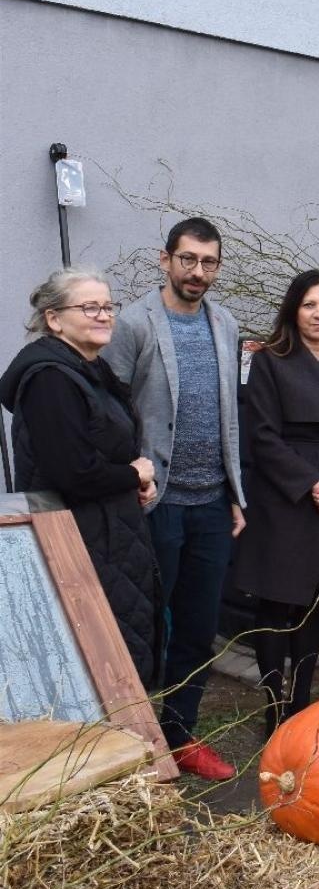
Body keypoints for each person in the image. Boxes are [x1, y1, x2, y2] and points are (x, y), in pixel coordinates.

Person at [103, 217, 246, 780]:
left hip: (211, 503)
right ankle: (131, 741)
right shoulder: (134, 323)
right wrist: (126, 477)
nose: (198, 272)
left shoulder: (226, 323)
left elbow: (229, 414)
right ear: (165, 260)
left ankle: (181, 735)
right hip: (153, 502)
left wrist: (236, 493)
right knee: (144, 626)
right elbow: (109, 408)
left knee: (198, 623)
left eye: (209, 262)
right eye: (188, 259)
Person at [231, 270, 319, 738]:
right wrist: (313, 483)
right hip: (287, 493)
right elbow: (262, 436)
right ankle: (274, 707)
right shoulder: (270, 361)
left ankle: (303, 704)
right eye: (310, 305)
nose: (318, 313)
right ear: (294, 310)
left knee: (316, 602)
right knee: (278, 602)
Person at [0, 268, 161, 688]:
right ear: (54, 319)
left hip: (108, 533)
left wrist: (136, 479)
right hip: (79, 540)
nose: (104, 315)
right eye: (89, 307)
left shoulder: (89, 370)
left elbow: (109, 448)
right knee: (97, 663)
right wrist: (133, 473)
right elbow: (74, 474)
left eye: (108, 307)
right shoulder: (51, 379)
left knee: (122, 652)